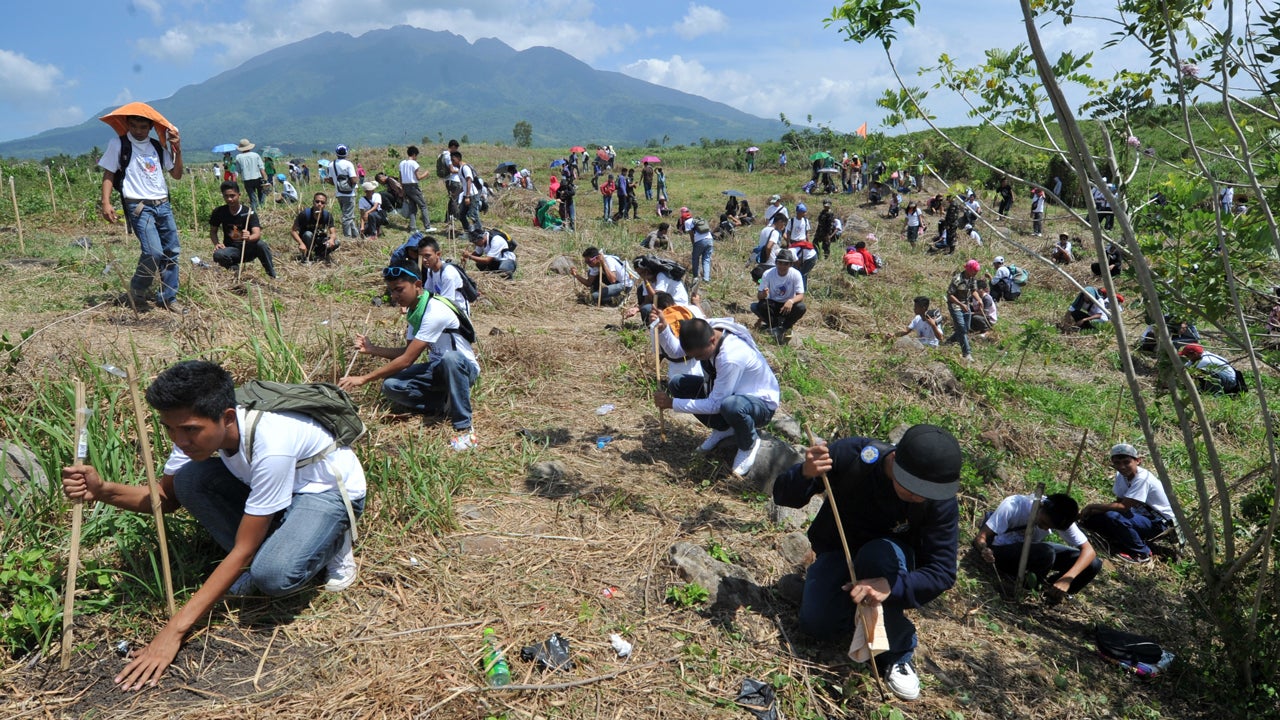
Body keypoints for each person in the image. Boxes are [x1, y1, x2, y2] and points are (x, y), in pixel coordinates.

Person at [62, 359, 366, 689]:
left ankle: (334, 539)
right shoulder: (191, 433)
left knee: (272, 575)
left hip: (325, 490)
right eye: (170, 429)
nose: (179, 439)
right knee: (189, 480)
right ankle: (287, 535)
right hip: (279, 486)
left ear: (228, 418)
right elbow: (165, 498)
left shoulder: (272, 442)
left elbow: (243, 549)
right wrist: (103, 491)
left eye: (189, 429)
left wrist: (174, 631)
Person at [773, 424, 963, 701]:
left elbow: (942, 572)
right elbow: (782, 495)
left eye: (926, 491)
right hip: (839, 552)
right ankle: (845, 604)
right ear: (895, 459)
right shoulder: (853, 457)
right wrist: (804, 473)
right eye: (912, 486)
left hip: (890, 564)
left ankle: (897, 650)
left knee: (878, 554)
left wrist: (891, 586)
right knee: (816, 625)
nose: (918, 496)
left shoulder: (938, 500)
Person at [340, 265, 479, 452]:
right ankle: (445, 403)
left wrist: (364, 379)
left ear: (418, 285)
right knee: (391, 386)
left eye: (399, 289)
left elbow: (407, 360)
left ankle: (465, 429)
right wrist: (372, 349)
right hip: (438, 368)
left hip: (463, 369)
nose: (395, 296)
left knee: (450, 358)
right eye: (392, 291)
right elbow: (407, 351)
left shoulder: (435, 310)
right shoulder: (416, 312)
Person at [655, 318, 780, 477]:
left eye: (700, 355)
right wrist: (664, 330)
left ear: (712, 340)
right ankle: (724, 429)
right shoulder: (706, 330)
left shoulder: (731, 357)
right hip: (728, 392)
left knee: (731, 406)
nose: (697, 359)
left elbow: (715, 404)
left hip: (759, 404)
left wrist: (672, 403)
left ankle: (748, 443)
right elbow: (677, 353)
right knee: (677, 384)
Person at [99, 111, 186, 313]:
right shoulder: (118, 144)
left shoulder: (157, 146)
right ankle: (138, 289)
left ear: (151, 127)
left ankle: (168, 297)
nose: (138, 131)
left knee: (171, 251)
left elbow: (176, 174)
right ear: (127, 124)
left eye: (143, 127)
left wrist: (177, 150)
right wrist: (106, 202)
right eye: (134, 126)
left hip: (162, 204)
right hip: (139, 206)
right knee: (153, 251)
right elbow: (109, 173)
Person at [973, 493, 1100, 602]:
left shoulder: (1061, 517)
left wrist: (1067, 579)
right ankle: (1025, 589)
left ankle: (1052, 591)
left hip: (1032, 551)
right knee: (1046, 552)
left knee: (1093, 564)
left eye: (1050, 527)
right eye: (1044, 523)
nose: (1045, 528)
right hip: (1002, 550)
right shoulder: (1014, 505)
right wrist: (984, 549)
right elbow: (981, 537)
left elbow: (1089, 551)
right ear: (1041, 506)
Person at [1079, 444, 1176, 563]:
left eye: (1126, 462)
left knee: (1113, 516)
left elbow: (1123, 507)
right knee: (1093, 519)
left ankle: (1142, 552)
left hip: (1159, 523)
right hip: (1140, 516)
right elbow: (1119, 502)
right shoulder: (1121, 475)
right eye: (1117, 463)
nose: (1122, 467)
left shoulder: (1142, 479)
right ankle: (1120, 539)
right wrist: (1093, 512)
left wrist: (1092, 506)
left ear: (1138, 461)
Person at [210, 181, 275, 278]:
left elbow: (257, 234)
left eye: (232, 196)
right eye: (226, 196)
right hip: (231, 250)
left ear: (239, 195)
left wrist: (249, 237)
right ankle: (235, 271)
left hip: (248, 248)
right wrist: (217, 244)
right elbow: (213, 231)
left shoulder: (249, 212)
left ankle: (272, 275)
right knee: (218, 254)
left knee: (261, 245)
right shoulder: (219, 212)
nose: (229, 199)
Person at [752, 250, 807, 344]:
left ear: (790, 264)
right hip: (773, 304)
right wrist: (763, 294)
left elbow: (800, 295)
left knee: (801, 307)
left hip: (787, 306)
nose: (782, 266)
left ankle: (785, 327)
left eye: (785, 264)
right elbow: (759, 296)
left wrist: (791, 301)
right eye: (780, 263)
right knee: (757, 306)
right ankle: (775, 327)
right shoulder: (768, 274)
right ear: (776, 262)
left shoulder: (796, 274)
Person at [415, 236, 471, 314]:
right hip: (442, 306)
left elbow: (446, 303)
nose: (424, 260)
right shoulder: (430, 270)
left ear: (438, 254)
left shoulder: (448, 274)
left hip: (457, 312)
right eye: (422, 256)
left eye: (427, 256)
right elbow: (428, 293)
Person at [630, 255, 690, 321]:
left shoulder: (662, 275)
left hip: (678, 307)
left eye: (642, 272)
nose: (642, 275)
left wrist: (646, 281)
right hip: (664, 305)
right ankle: (652, 323)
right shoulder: (646, 280)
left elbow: (656, 299)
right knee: (640, 290)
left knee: (647, 309)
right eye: (639, 274)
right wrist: (636, 309)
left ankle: (656, 324)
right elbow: (647, 301)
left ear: (648, 269)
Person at [946, 260, 981, 361]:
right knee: (961, 328)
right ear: (968, 270)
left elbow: (973, 291)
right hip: (955, 305)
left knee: (966, 328)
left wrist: (979, 299)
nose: (976, 273)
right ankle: (967, 353)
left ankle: (950, 340)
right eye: (974, 271)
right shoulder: (957, 279)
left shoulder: (972, 279)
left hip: (966, 305)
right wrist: (960, 304)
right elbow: (950, 295)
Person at [1178, 343, 1244, 395]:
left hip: (1230, 382)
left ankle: (1216, 394)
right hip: (1227, 378)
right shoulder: (1203, 354)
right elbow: (1187, 366)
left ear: (1194, 354)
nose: (1187, 358)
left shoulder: (1205, 361)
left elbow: (1190, 374)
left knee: (1205, 374)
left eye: (1187, 356)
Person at [292, 192, 338, 262]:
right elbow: (293, 231)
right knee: (308, 234)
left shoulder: (327, 216)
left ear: (325, 205)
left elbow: (333, 232)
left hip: (320, 240)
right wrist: (301, 243)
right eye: (317, 201)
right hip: (307, 240)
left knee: (336, 242)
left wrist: (331, 240)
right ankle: (307, 256)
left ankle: (320, 255)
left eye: (322, 202)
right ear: (313, 202)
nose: (319, 204)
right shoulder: (304, 214)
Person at [398, 146, 435, 232]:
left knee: (412, 207)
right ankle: (427, 226)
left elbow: (400, 178)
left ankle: (413, 227)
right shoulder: (414, 163)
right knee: (423, 205)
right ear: (414, 154)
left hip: (405, 186)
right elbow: (418, 177)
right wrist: (426, 174)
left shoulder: (402, 163)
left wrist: (402, 189)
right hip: (413, 187)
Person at [328, 145, 360, 239]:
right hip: (349, 194)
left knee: (349, 216)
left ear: (336, 153)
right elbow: (353, 180)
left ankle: (356, 236)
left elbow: (331, 180)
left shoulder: (331, 164)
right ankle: (347, 237)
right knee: (347, 217)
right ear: (346, 153)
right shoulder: (348, 164)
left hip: (339, 193)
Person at [452, 150, 483, 233]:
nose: (452, 162)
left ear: (458, 158)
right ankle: (468, 231)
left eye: (453, 160)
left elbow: (469, 181)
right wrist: (456, 193)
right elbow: (464, 185)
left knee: (473, 215)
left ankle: (480, 232)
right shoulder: (460, 170)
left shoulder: (465, 168)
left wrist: (467, 197)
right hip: (466, 195)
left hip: (472, 195)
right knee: (461, 214)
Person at [784, 204, 818, 279]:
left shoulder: (805, 221)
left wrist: (808, 242)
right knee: (794, 261)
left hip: (803, 243)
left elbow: (807, 233)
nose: (804, 214)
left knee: (802, 261)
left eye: (805, 212)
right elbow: (788, 232)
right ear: (798, 212)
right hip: (794, 243)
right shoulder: (791, 221)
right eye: (803, 212)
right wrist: (788, 243)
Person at [233, 139, 267, 212]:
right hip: (258, 178)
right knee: (261, 195)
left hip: (247, 180)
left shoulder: (238, 157)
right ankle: (262, 210)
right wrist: (265, 180)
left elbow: (236, 172)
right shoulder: (255, 155)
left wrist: (234, 183)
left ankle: (254, 211)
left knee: (252, 198)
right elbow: (262, 169)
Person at [751, 213, 786, 283]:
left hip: (761, 260)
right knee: (772, 283)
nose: (783, 227)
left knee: (762, 282)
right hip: (771, 262)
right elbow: (769, 247)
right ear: (780, 222)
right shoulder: (775, 232)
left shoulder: (764, 229)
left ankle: (761, 285)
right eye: (783, 224)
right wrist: (767, 257)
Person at [685, 212, 716, 283]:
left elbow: (691, 235)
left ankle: (696, 277)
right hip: (710, 240)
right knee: (706, 259)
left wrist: (694, 244)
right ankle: (706, 278)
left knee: (695, 258)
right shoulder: (699, 220)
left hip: (700, 241)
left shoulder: (687, 222)